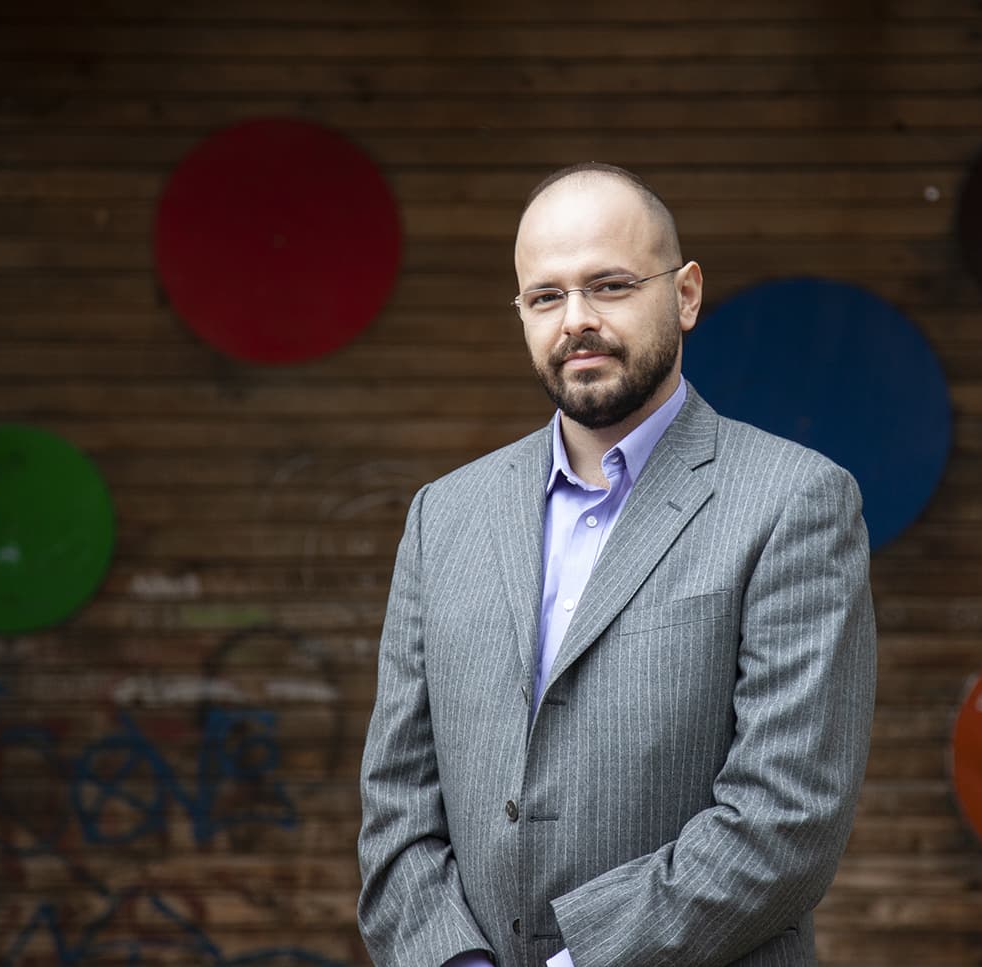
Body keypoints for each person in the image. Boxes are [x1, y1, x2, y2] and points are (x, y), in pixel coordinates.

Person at [358, 163, 877, 967]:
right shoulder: (444, 515)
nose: (577, 320)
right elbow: (396, 805)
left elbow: (787, 818)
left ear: (687, 294)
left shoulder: (795, 501)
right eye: (546, 296)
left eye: (609, 285)